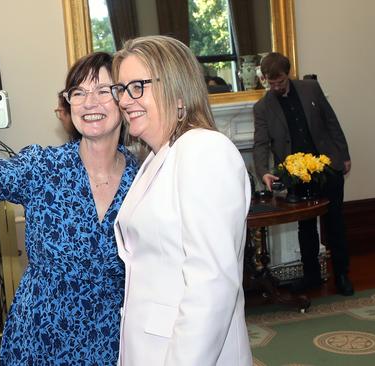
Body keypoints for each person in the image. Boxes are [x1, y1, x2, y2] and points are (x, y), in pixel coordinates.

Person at [0, 52, 138, 365]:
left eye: (103, 90)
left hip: (113, 339)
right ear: (69, 104)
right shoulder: (44, 166)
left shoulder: (142, 175)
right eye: (78, 92)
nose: (90, 102)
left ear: (123, 99)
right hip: (41, 336)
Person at [111, 35, 252, 365]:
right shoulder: (158, 157)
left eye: (138, 87)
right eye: (121, 89)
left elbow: (211, 282)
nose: (125, 100)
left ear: (177, 89)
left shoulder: (204, 149)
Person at [253, 52, 354, 296]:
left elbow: (331, 122)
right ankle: (311, 276)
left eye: (281, 82)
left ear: (289, 74)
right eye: (271, 83)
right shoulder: (262, 108)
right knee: (305, 226)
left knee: (335, 223)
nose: (276, 87)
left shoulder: (311, 89)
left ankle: (341, 275)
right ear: (265, 79)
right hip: (296, 174)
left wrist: (344, 154)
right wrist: (265, 172)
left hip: (326, 167)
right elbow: (260, 144)